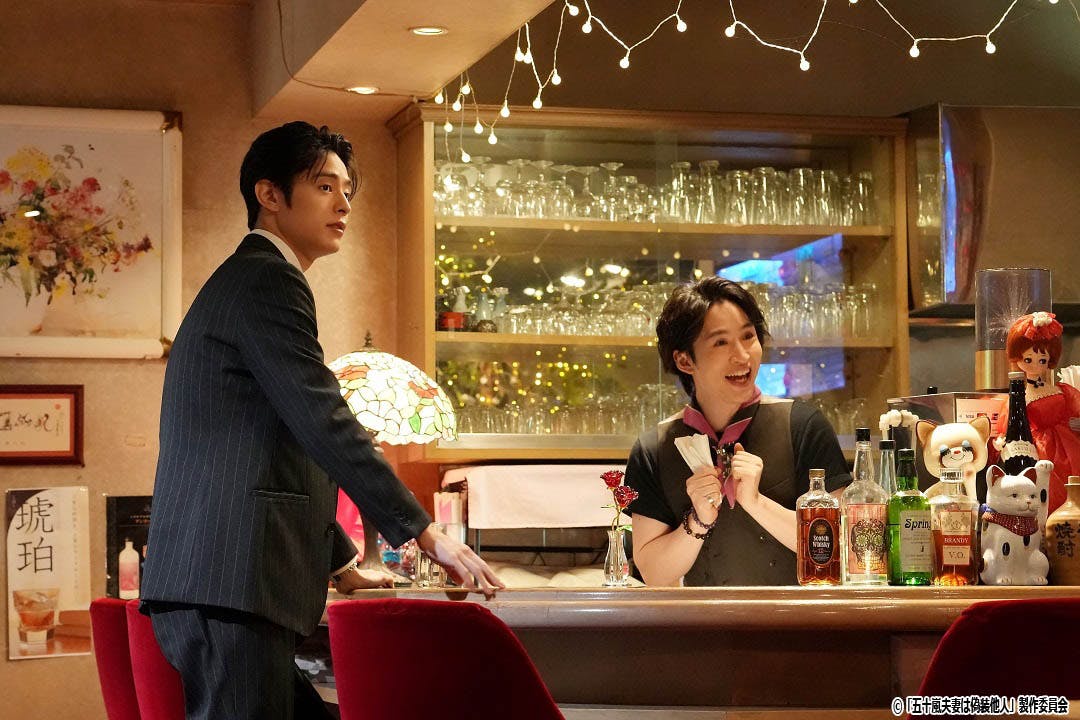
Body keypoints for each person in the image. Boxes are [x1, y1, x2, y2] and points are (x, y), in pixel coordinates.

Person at [140, 121, 503, 720]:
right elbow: (322, 418)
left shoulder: (251, 278)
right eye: (325, 187)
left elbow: (281, 439)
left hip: (221, 577)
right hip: (232, 579)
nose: (343, 205)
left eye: (347, 191)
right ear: (270, 194)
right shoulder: (268, 278)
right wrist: (424, 531)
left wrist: (339, 563)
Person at [624, 277, 850, 586]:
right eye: (721, 342)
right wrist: (698, 520)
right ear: (684, 360)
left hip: (794, 615)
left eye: (748, 336)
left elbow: (842, 548)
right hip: (701, 617)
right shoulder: (654, 448)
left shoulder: (802, 425)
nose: (743, 356)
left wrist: (756, 502)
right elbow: (654, 574)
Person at [1002, 311, 1080, 514]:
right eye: (1028, 359)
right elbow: (1009, 425)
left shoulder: (1061, 389)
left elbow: (1074, 409)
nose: (1036, 364)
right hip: (1038, 448)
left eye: (1042, 360)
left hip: (1068, 445)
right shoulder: (1019, 395)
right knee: (1045, 490)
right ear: (1018, 357)